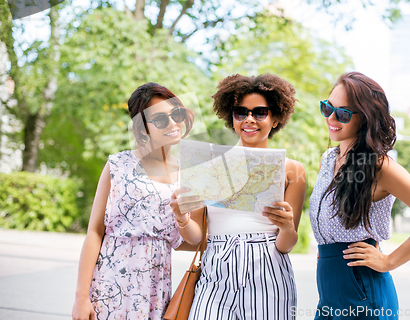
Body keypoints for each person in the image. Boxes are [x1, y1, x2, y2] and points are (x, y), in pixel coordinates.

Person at [309, 72, 410, 320]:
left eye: (343, 113)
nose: (331, 118)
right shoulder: (328, 159)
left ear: (365, 119)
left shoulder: (379, 166)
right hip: (330, 292)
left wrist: (389, 261)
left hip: (363, 293)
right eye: (327, 107)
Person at [179, 74, 307, 320]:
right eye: (241, 112)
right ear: (232, 116)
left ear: (277, 117)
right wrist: (181, 218)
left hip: (268, 268)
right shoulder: (209, 162)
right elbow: (197, 238)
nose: (249, 119)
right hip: (216, 268)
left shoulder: (293, 170)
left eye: (260, 112)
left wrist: (288, 226)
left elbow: (286, 245)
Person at [71, 83, 204, 320]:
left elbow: (196, 239)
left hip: (156, 288)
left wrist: (182, 217)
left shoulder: (190, 173)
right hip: (109, 283)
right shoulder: (118, 165)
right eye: (161, 120)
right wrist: (81, 297)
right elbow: (95, 231)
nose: (173, 123)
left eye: (177, 114)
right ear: (143, 128)